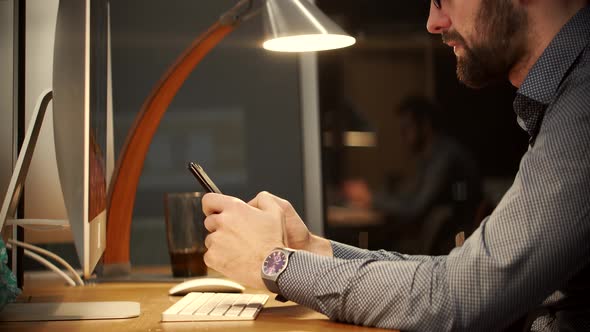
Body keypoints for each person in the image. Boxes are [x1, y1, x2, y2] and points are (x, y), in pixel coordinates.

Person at [201, 1, 590, 330]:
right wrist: (310, 250)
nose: (433, 22)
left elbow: (460, 295)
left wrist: (274, 263)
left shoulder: (583, 105)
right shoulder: (565, 100)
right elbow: (462, 276)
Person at [342, 96, 483, 255]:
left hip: (452, 249)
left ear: (425, 125)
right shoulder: (429, 157)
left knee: (368, 246)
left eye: (407, 128)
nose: (403, 136)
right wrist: (373, 197)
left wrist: (370, 198)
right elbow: (409, 196)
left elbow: (414, 207)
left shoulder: (445, 157)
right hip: (437, 243)